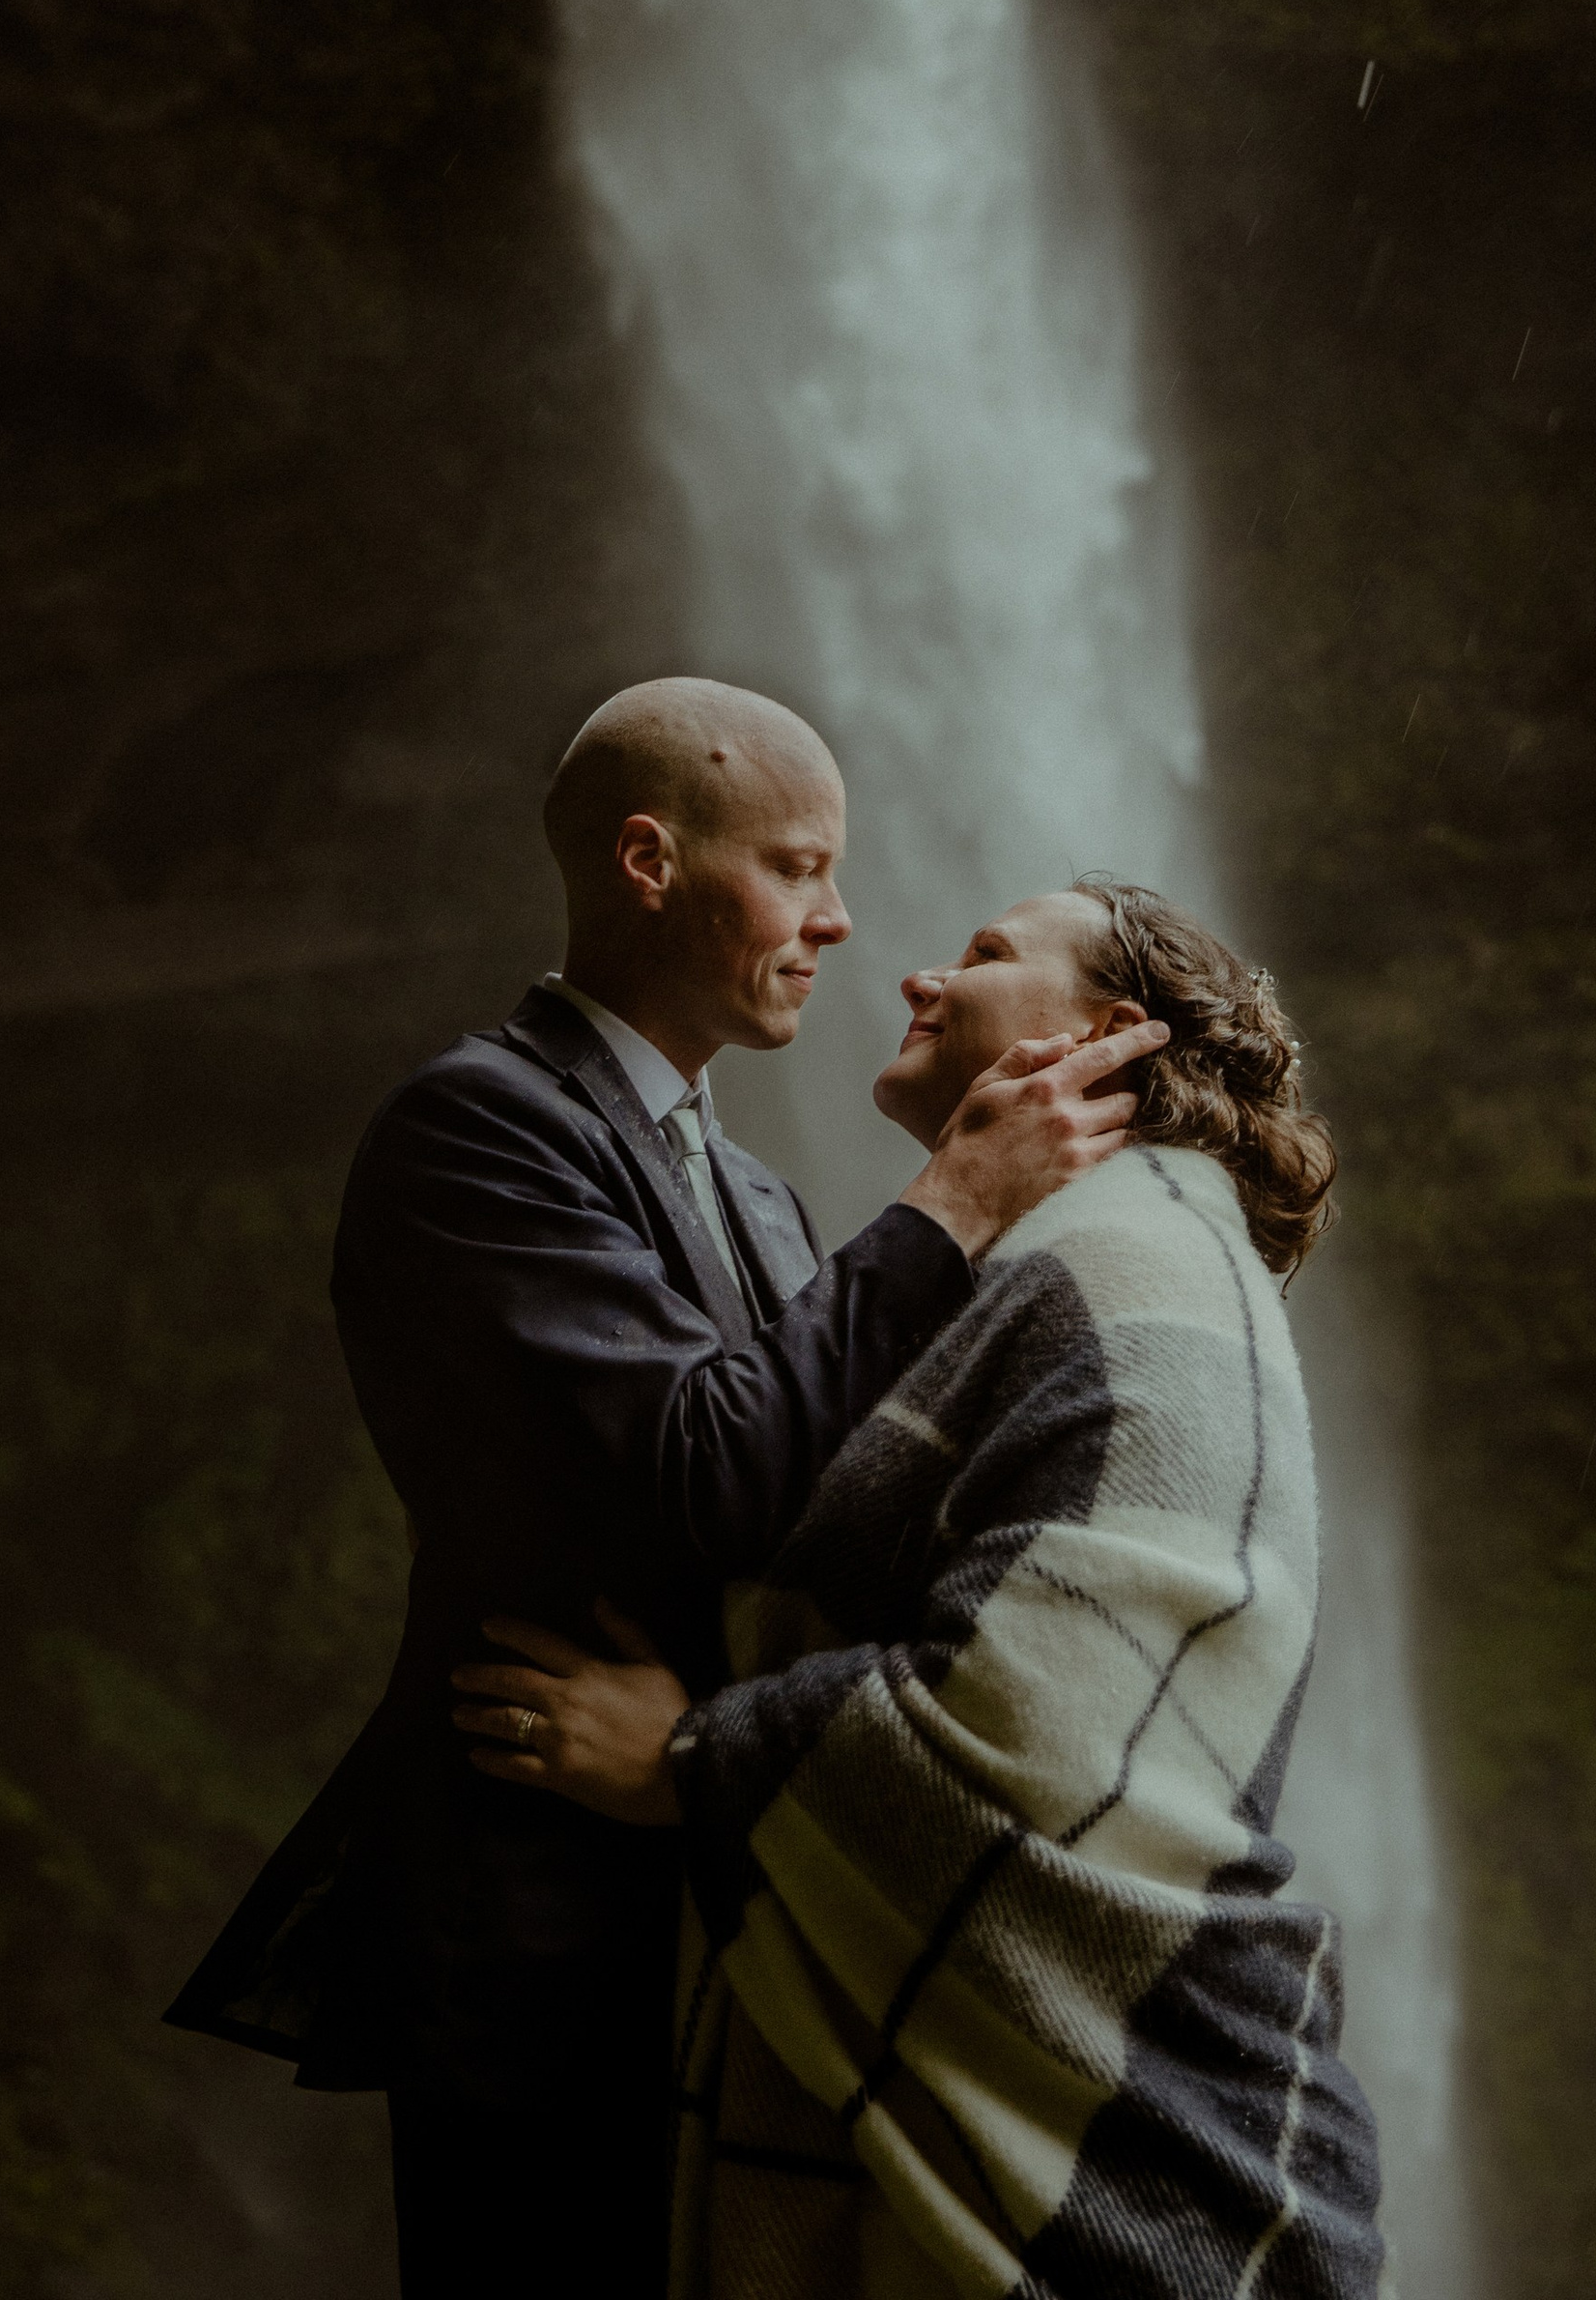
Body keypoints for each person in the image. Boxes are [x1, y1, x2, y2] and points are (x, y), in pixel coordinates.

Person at [163, 684, 1167, 2300]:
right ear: (650, 862)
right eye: (797, 867)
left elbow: (832, 1524)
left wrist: (713, 1758)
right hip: (542, 1954)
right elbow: (714, 1478)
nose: (842, 922)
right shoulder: (477, 1126)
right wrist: (955, 1196)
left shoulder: (762, 1197)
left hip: (729, 1924)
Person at [455, 879, 1386, 2300]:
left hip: (1136, 2156)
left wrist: (693, 1759)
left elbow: (1049, 1730)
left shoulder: (1142, 1265)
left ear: (1105, 1036)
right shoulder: (1072, 1262)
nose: (915, 978)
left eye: (987, 955)